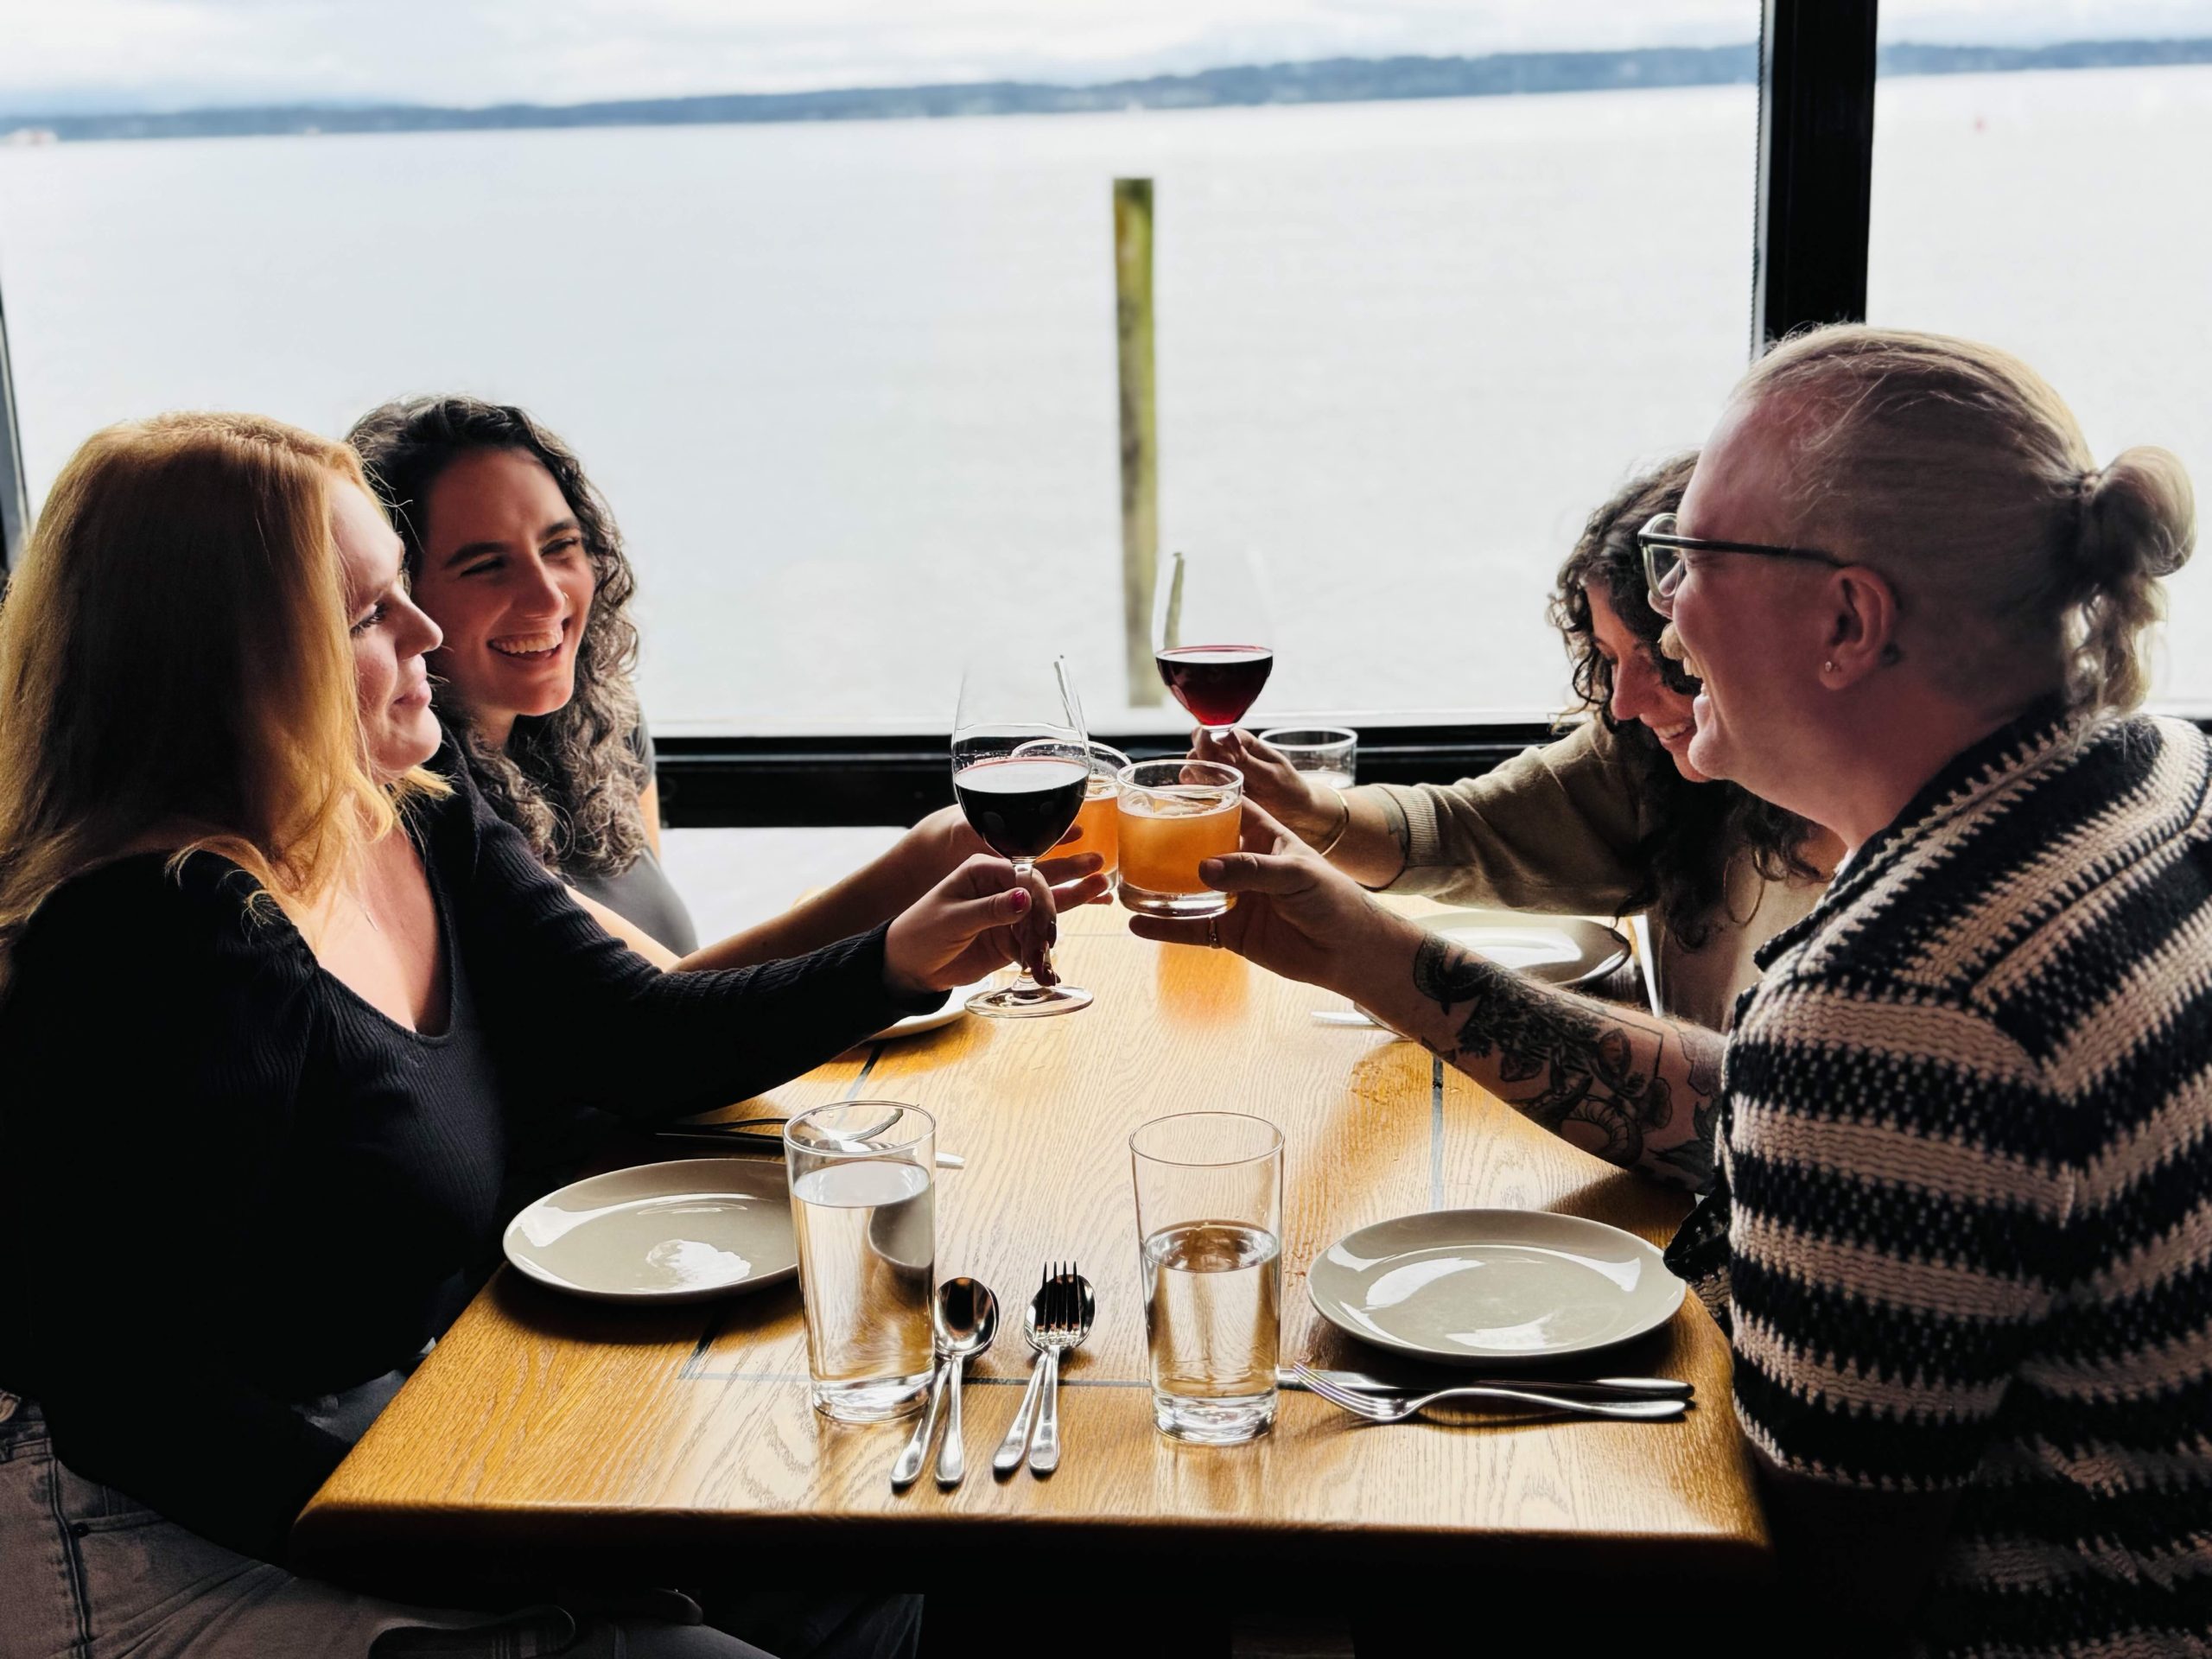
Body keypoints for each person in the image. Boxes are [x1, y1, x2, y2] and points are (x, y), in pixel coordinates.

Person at [1135, 327, 2209, 1655]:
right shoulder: (2153, 776)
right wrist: (1355, 944)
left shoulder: (1899, 1004)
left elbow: (1815, 1586)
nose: (1667, 608)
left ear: (1847, 621)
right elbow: (1774, 1120)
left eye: (1687, 559)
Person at [0, 412, 1099, 1657]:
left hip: (401, 1431)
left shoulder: (406, 808)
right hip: (158, 1537)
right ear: (231, 659)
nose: (421, 633)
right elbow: (144, 1405)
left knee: (880, 1572)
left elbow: (634, 1034)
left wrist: (899, 959)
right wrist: (514, 1559)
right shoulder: (157, 941)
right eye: (368, 614)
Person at [349, 396, 1075, 974]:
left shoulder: (603, 726)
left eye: (561, 546)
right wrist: (920, 865)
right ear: (393, 596)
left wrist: (933, 867)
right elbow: (662, 1016)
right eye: (485, 566)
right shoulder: (421, 808)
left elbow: (687, 982)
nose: (547, 597)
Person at [1198, 454, 1838, 1032]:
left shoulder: (1857, 873)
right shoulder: (1652, 766)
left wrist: (1377, 959)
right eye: (1609, 661)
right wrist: (1309, 809)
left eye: (1667, 660)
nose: (1622, 702)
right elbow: (1469, 830)